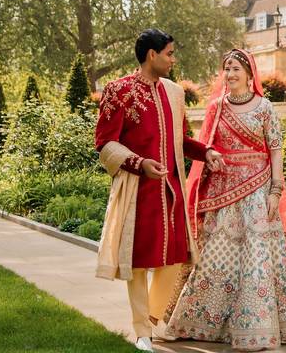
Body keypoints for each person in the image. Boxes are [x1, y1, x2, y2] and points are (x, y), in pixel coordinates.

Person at [162, 48, 286, 351]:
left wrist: (275, 191)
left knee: (256, 260)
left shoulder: (264, 107)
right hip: (222, 193)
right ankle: (197, 323)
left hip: (257, 192)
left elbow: (276, 149)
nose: (230, 75)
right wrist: (211, 161)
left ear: (250, 74)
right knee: (215, 259)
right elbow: (204, 149)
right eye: (226, 69)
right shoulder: (216, 107)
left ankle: (255, 329)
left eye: (236, 69)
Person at [94, 29, 224, 352]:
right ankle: (142, 333)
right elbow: (105, 143)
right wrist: (139, 164)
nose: (173, 59)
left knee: (177, 257)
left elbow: (180, 141)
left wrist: (205, 152)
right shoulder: (118, 91)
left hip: (171, 192)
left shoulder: (174, 93)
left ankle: (150, 317)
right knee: (137, 264)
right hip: (138, 190)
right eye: (169, 53)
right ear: (152, 55)